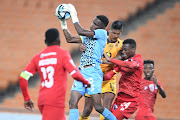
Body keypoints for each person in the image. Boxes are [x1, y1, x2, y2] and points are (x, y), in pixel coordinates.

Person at [55, 3, 117, 120]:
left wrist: (73, 14)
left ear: (101, 27)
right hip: (81, 72)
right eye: (92, 22)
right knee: (72, 102)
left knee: (98, 107)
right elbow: (70, 39)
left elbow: (80, 31)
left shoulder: (102, 33)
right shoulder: (88, 35)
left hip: (93, 71)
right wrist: (63, 23)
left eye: (95, 24)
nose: (92, 25)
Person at [19, 28, 90, 120]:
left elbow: (22, 77)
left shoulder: (38, 57)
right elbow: (74, 73)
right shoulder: (63, 54)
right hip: (54, 101)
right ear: (59, 40)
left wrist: (27, 98)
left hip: (42, 100)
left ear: (45, 41)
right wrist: (86, 82)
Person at [79, 20, 124, 120]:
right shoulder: (99, 39)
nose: (116, 36)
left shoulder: (121, 45)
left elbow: (117, 60)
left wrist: (102, 62)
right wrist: (83, 48)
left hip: (108, 78)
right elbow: (87, 49)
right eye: (114, 33)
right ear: (109, 31)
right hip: (94, 77)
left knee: (106, 108)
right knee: (87, 109)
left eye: (118, 34)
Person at [103, 38, 144, 120]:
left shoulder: (138, 59)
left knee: (113, 118)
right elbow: (108, 76)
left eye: (126, 50)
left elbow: (130, 65)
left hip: (131, 100)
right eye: (122, 50)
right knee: (107, 118)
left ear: (133, 49)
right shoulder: (122, 62)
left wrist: (111, 60)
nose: (123, 52)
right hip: (120, 98)